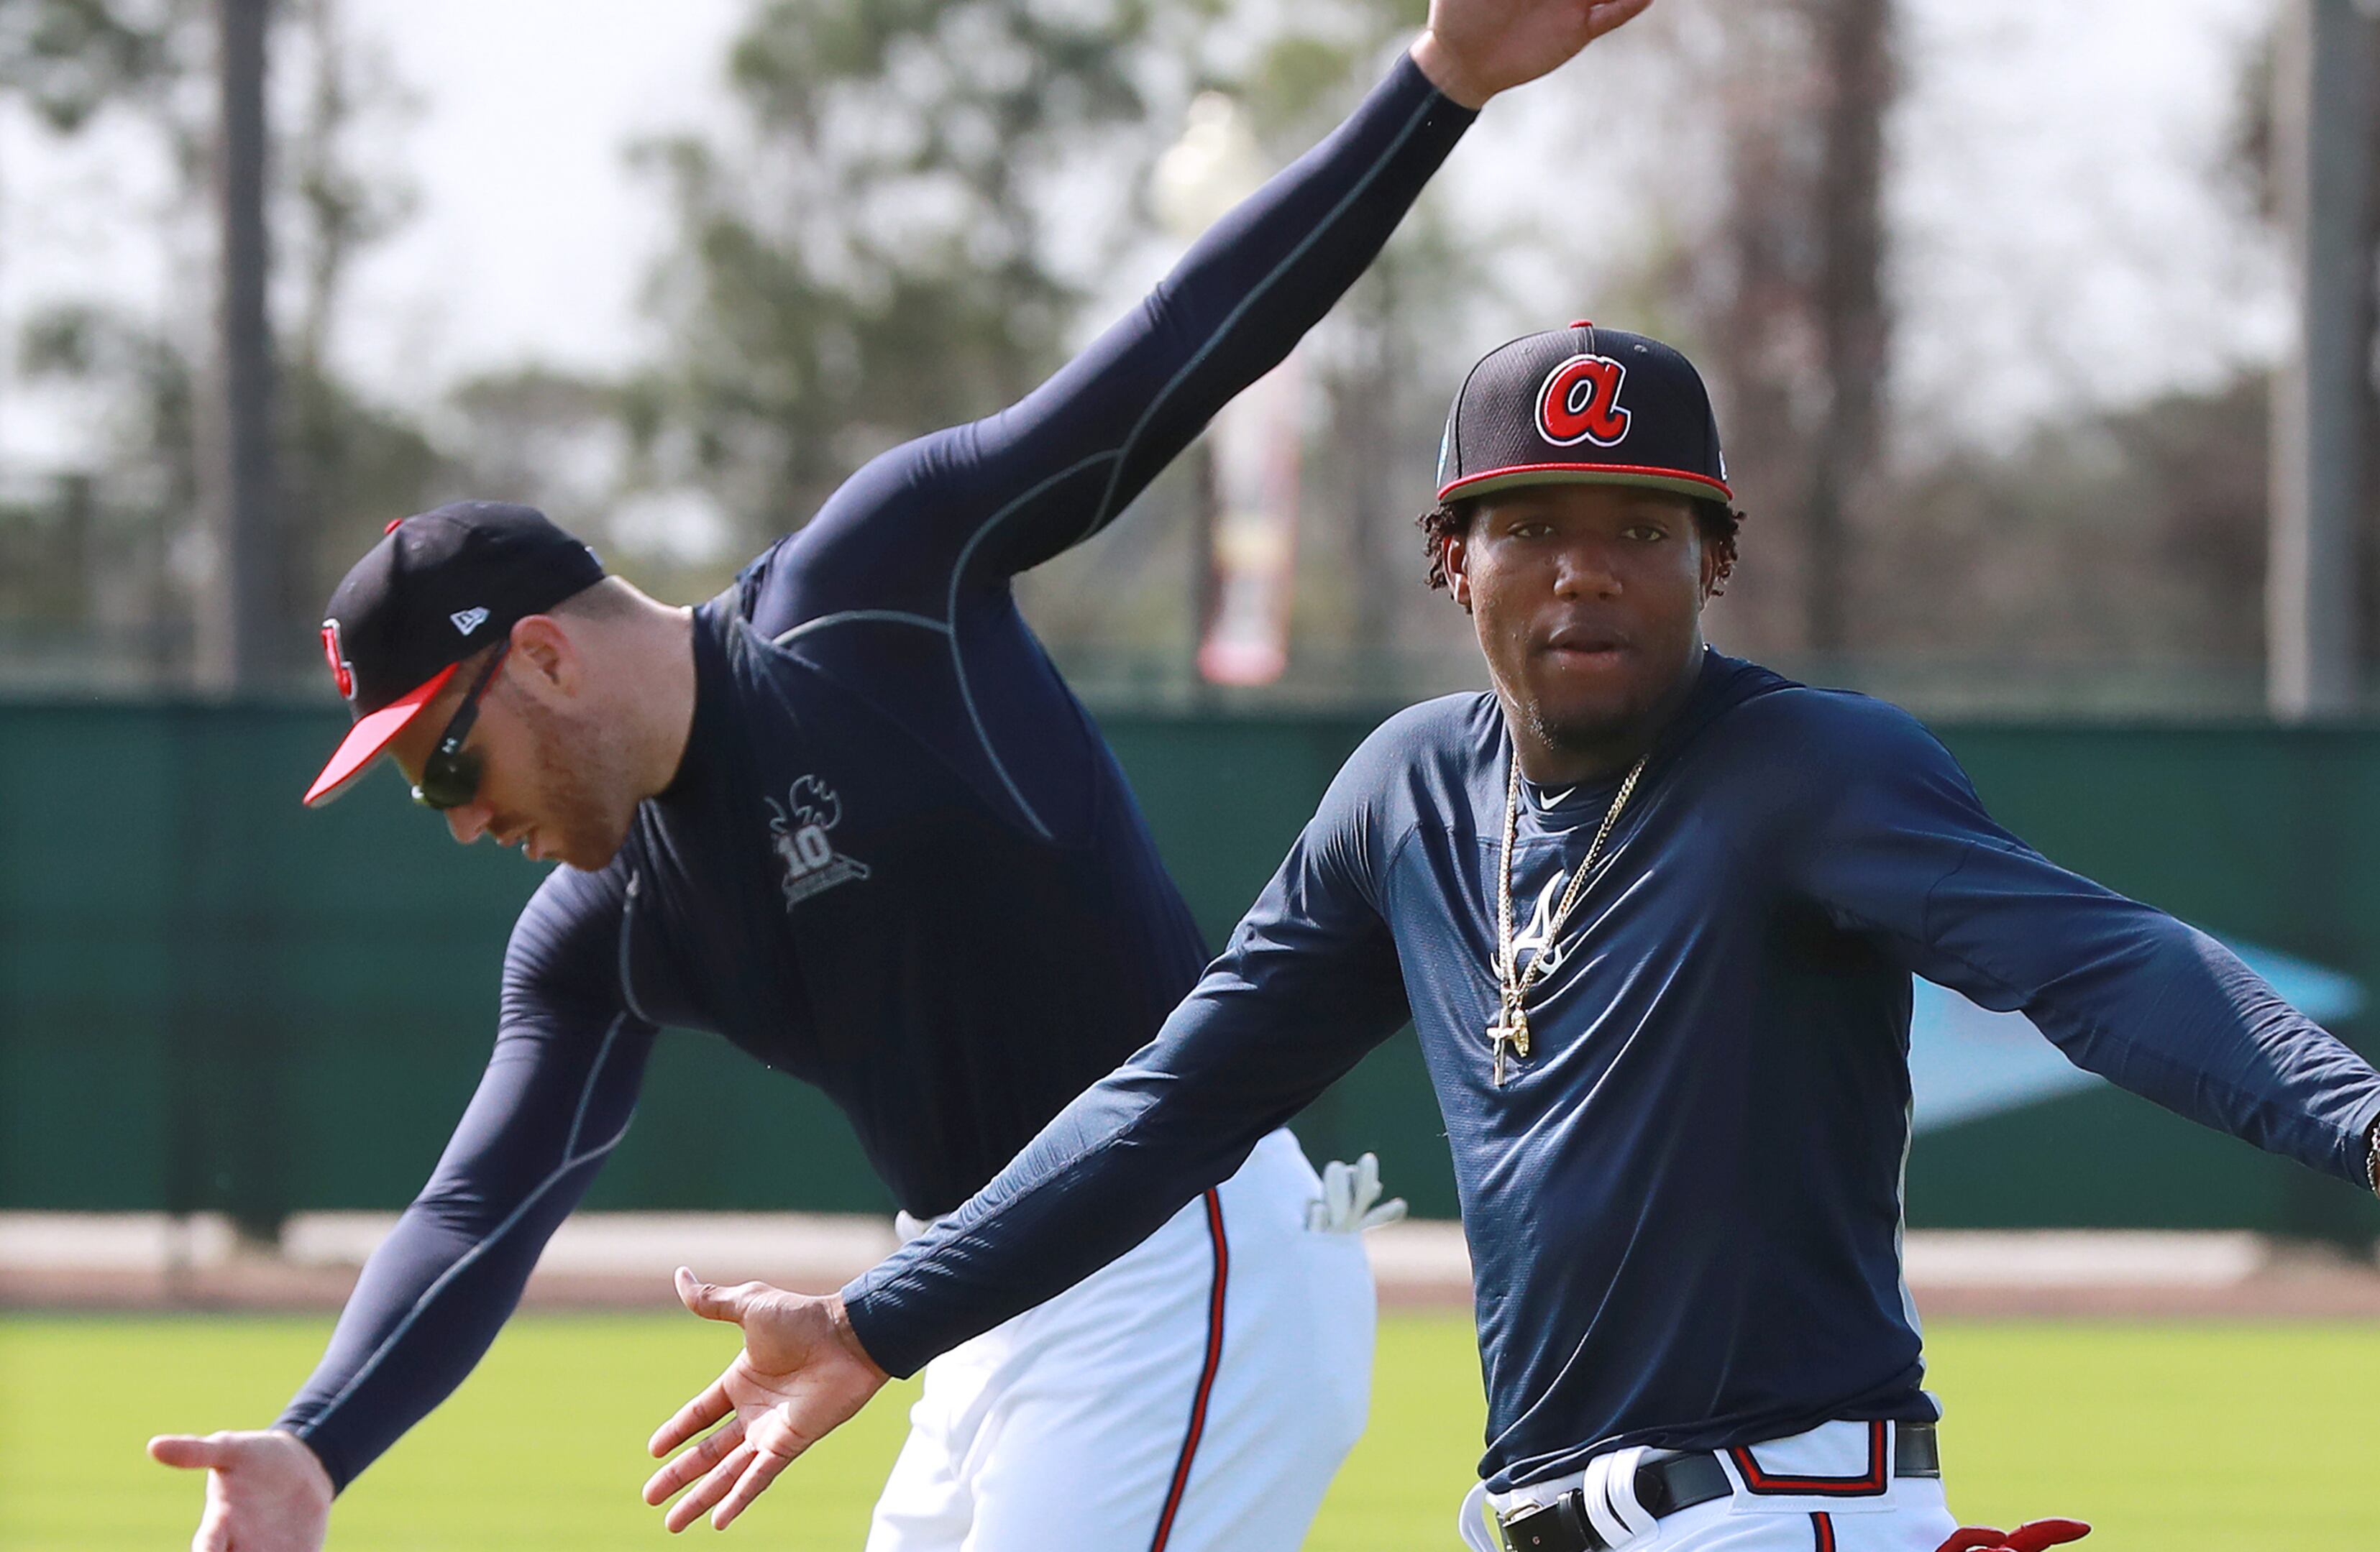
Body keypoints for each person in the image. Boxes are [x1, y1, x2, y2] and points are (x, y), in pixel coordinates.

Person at [639, 323, 2380, 1551]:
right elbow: (1171, 1101)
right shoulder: (1406, 802)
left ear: (1719, 556)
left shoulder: (1812, 772)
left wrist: (2357, 1129)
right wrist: (881, 1320)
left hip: (1779, 1507)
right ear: (1454, 560)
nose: (1586, 568)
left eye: (1643, 527)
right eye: (1533, 522)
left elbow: (2097, 956)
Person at [142, 9, 1660, 1548]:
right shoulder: (598, 927)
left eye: (442, 757)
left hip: (1180, 1263)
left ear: (542, 657)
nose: (458, 813)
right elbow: (479, 1210)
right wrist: (317, 1447)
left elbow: (1177, 353)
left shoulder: (870, 590)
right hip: (958, 1308)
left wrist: (1439, 86)